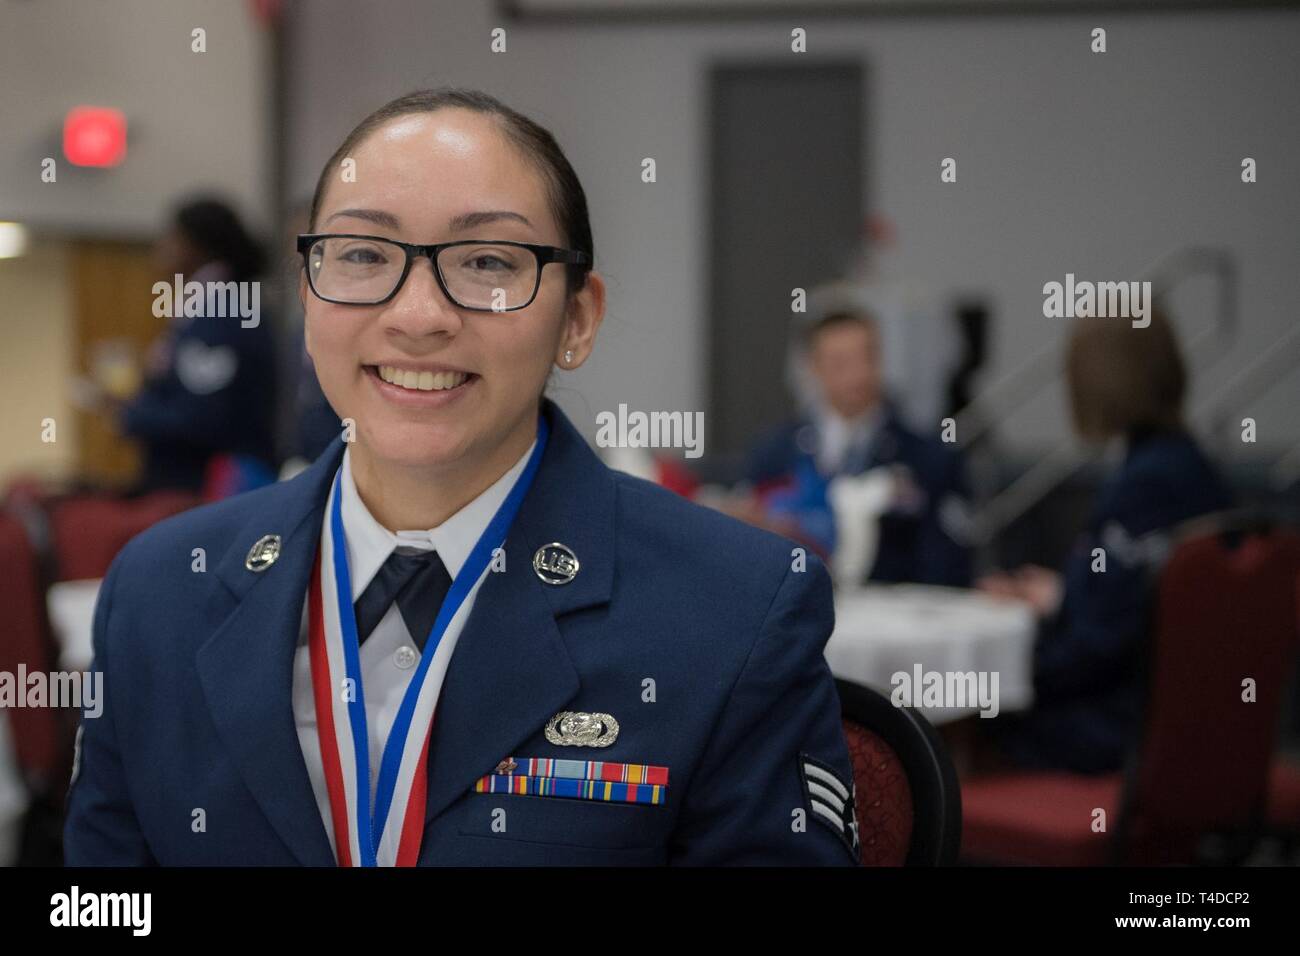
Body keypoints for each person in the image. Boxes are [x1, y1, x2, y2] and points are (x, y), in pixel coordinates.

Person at [63, 88, 860, 866]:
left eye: (486, 260)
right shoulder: (159, 594)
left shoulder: (733, 610)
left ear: (577, 319)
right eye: (365, 254)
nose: (418, 315)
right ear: (309, 298)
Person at [977, 307, 1231, 774]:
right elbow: (1145, 601)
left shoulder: (1142, 487)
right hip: (1192, 726)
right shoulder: (1195, 469)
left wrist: (997, 680)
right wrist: (1065, 594)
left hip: (1119, 734)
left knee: (946, 723)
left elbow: (1095, 650)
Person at [745, 309, 973, 587]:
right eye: (840, 363)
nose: (858, 375)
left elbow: (948, 563)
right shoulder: (775, 453)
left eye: (868, 357)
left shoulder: (928, 457)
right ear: (813, 367)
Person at [118, 197, 279, 494]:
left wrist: (132, 415)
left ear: (196, 246)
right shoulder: (209, 304)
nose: (161, 247)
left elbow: (204, 417)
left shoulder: (224, 309)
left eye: (172, 237)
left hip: (208, 487)